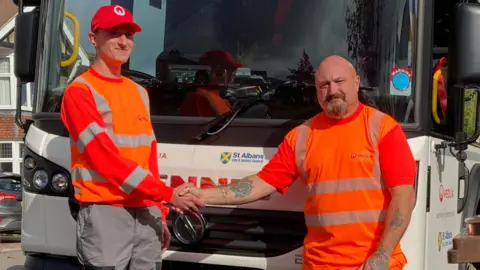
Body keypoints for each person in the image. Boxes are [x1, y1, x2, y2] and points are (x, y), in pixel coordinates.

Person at [180, 55, 416, 270]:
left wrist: (382, 255)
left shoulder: (383, 130)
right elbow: (261, 183)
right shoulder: (301, 136)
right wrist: (202, 195)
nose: (333, 90)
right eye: (324, 85)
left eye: (339, 81)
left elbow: (404, 197)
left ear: (356, 83)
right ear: (317, 92)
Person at [60, 5, 203, 270]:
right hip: (105, 211)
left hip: (146, 209)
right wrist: (166, 194)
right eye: (114, 33)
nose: (124, 41)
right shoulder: (80, 92)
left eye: (129, 34)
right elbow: (104, 160)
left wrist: (159, 212)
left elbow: (149, 156)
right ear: (93, 38)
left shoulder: (139, 93)